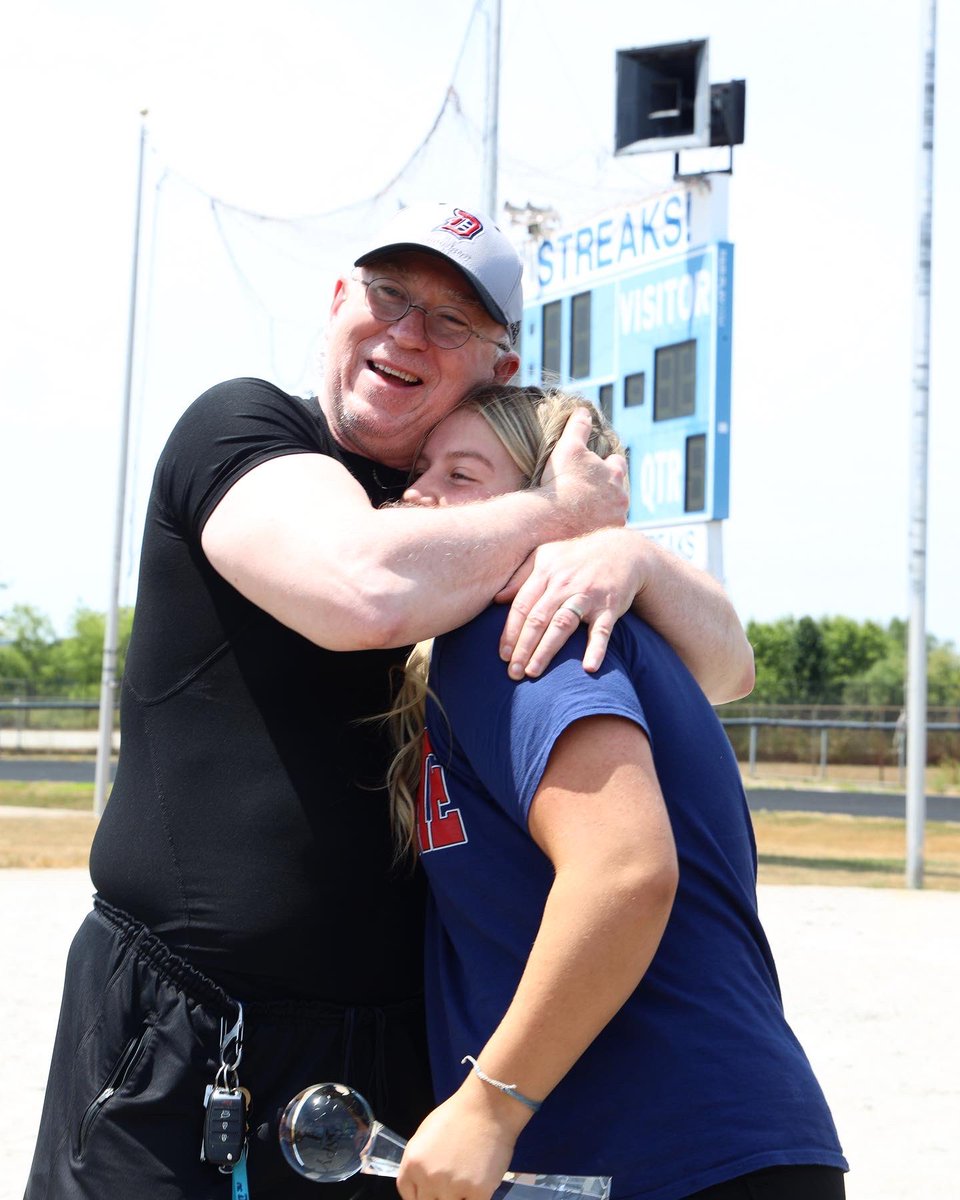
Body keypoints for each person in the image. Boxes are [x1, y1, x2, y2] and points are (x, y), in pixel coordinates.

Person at [25, 204, 754, 1200]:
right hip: (184, 1037)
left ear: (499, 368)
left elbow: (726, 669)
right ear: (336, 305)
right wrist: (560, 513)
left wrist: (628, 552)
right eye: (388, 295)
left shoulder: (470, 514)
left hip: (394, 1064)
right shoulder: (246, 431)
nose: (408, 332)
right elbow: (360, 590)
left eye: (452, 320)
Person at [389, 385, 847, 1200]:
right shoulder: (577, 629)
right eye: (421, 467)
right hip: (702, 1147)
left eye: (462, 475)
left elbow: (626, 873)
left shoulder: (527, 632)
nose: (420, 493)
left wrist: (488, 1109)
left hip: (667, 1155)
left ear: (549, 502)